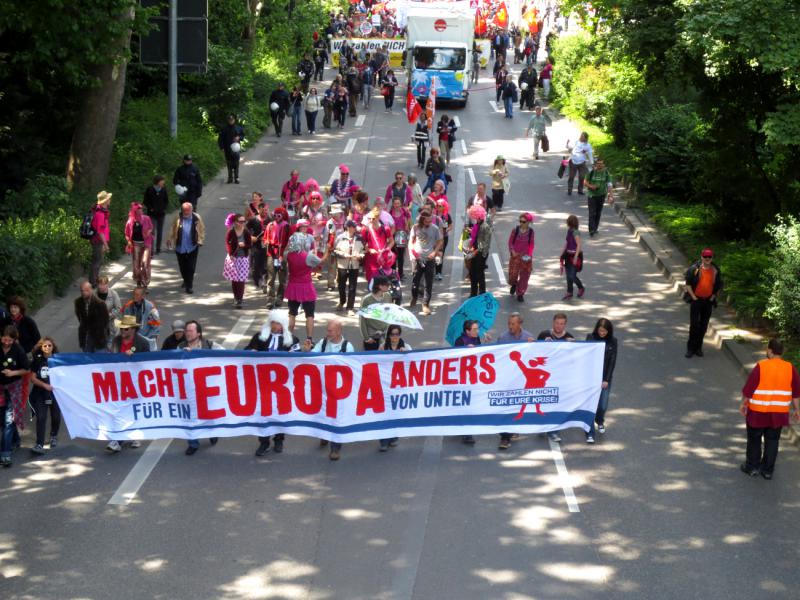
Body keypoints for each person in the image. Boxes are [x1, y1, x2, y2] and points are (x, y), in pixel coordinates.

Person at [739, 338, 800, 480]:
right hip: (778, 414)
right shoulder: (790, 368)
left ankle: (752, 467)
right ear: (782, 352)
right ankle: (767, 470)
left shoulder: (761, 366)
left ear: (770, 351)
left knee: (754, 439)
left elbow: (749, 389)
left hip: (757, 412)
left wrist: (743, 404)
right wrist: (797, 410)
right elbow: (796, 393)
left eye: (768, 349)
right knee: (772, 441)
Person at [247, 311, 300, 457]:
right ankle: (263, 442)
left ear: (283, 325)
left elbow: (299, 358)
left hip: (282, 385)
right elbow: (245, 353)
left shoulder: (292, 340)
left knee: (280, 412)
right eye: (273, 323)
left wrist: (297, 354)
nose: (275, 326)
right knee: (263, 414)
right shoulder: (259, 338)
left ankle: (279, 439)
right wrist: (250, 351)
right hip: (262, 383)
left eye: (278, 323)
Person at [302, 319, 355, 460]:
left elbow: (351, 369)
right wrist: (307, 352)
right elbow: (313, 357)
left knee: (337, 418)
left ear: (338, 331)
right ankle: (324, 435)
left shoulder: (347, 347)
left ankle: (335, 448)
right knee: (323, 414)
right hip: (323, 389)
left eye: (330, 331)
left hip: (339, 391)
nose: (328, 333)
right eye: (327, 330)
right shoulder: (323, 343)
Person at [105, 315, 150, 453]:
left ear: (133, 330)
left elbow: (149, 362)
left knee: (134, 408)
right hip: (119, 380)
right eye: (122, 328)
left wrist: (135, 358)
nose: (123, 331)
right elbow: (111, 356)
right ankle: (119, 438)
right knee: (120, 408)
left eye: (126, 329)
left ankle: (128, 436)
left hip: (136, 380)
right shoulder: (116, 341)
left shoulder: (143, 343)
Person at [178, 320, 221, 455]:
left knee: (209, 413)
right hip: (189, 388)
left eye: (191, 331)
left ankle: (212, 432)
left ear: (199, 333)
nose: (188, 333)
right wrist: (183, 356)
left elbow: (226, 355)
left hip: (207, 388)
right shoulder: (181, 347)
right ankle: (193, 442)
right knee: (190, 416)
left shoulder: (210, 345)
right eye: (186, 331)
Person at [536, 312, 575, 443]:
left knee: (557, 404)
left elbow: (574, 359)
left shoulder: (570, 338)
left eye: (562, 324)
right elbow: (534, 353)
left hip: (560, 378)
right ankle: (543, 425)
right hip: (545, 377)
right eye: (557, 323)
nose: (559, 326)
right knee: (545, 402)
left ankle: (553, 431)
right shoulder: (544, 335)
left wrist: (573, 347)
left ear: (565, 325)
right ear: (553, 323)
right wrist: (541, 344)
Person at [285, 224, 328, 340]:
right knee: (309, 315)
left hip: (293, 286)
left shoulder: (289, 255)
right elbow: (320, 262)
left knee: (292, 314)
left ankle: (288, 338)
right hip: (306, 287)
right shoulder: (308, 256)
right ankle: (309, 338)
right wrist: (327, 251)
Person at [683, 248, 723, 358]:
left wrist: (713, 297)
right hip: (696, 301)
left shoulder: (715, 270)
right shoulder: (694, 269)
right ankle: (690, 349)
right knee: (694, 325)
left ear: (712, 258)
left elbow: (718, 285)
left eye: (709, 257)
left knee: (703, 326)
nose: (707, 259)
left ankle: (698, 348)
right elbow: (688, 284)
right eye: (705, 256)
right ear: (701, 257)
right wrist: (694, 297)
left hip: (708, 301)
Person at [585, 318, 618, 444]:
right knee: (591, 404)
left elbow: (612, 361)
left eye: (604, 331)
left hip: (604, 378)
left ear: (608, 331)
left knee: (603, 404)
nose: (602, 333)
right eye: (600, 330)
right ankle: (589, 429)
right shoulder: (590, 338)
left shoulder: (613, 341)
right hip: (591, 377)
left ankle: (600, 420)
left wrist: (606, 379)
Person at [29, 337, 61, 455]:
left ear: (53, 347)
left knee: (56, 416)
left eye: (49, 345)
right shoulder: (37, 360)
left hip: (55, 394)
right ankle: (39, 444)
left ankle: (53, 435)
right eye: (45, 346)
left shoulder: (58, 360)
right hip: (40, 393)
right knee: (41, 418)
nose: (47, 347)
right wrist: (44, 385)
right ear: (41, 347)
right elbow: (32, 378)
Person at [167, 202, 205, 294]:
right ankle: (185, 279)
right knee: (183, 267)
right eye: (184, 210)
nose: (186, 212)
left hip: (192, 246)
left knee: (191, 267)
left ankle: (189, 286)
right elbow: (172, 228)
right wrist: (169, 238)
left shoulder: (196, 218)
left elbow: (201, 229)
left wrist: (200, 239)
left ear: (192, 210)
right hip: (180, 246)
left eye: (188, 210)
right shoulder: (178, 217)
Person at [409, 210, 443, 316]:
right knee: (415, 281)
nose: (429, 222)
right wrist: (412, 254)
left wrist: (435, 252)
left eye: (430, 220)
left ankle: (425, 304)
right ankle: (414, 296)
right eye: (427, 221)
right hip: (417, 258)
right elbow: (411, 241)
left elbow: (440, 241)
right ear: (422, 219)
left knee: (428, 282)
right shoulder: (415, 227)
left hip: (429, 259)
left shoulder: (435, 228)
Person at [334, 219, 364, 314]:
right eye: (353, 227)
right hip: (342, 265)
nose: (355, 229)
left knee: (352, 287)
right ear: (348, 227)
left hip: (354, 265)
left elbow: (363, 251)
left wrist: (360, 256)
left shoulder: (359, 238)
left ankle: (350, 307)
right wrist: (344, 255)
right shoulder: (340, 237)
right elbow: (335, 251)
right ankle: (342, 301)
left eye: (355, 227)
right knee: (341, 286)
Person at [224, 213, 252, 309]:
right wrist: (230, 253)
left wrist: (244, 245)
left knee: (241, 280)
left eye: (244, 221)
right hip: (234, 258)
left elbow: (249, 244)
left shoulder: (246, 232)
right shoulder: (231, 232)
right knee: (235, 279)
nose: (243, 223)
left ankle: (239, 299)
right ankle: (236, 297)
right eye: (240, 221)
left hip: (243, 258)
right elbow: (227, 243)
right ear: (235, 222)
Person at [264, 206, 290, 309]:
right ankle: (270, 299)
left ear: (283, 216)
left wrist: (283, 253)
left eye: (279, 216)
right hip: (272, 253)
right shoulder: (270, 225)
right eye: (275, 215)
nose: (276, 217)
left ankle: (280, 297)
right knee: (271, 277)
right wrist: (267, 242)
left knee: (282, 278)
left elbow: (289, 240)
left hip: (282, 254)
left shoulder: (286, 226)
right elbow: (265, 238)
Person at [74, 279, 109, 353]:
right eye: (82, 291)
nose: (83, 293)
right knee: (87, 361)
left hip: (98, 338)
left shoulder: (100, 304)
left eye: (86, 290)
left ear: (91, 290)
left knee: (99, 361)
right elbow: (79, 317)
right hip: (85, 336)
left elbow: (105, 321)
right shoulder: (78, 302)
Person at [124, 202, 154, 288]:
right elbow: (126, 233)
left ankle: (145, 281)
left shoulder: (147, 218)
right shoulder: (130, 221)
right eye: (138, 209)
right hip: (136, 245)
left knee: (144, 263)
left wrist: (148, 232)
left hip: (146, 244)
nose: (141, 210)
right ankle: (139, 281)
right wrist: (129, 241)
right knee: (136, 264)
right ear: (134, 211)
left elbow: (151, 227)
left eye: (141, 209)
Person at [466, 204, 492, 297]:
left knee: (479, 273)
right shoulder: (477, 225)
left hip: (481, 254)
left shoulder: (485, 227)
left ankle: (482, 293)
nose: (473, 218)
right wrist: (471, 247)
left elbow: (486, 243)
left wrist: (476, 251)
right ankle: (473, 293)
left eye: (474, 216)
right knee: (472, 273)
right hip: (475, 252)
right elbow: (474, 237)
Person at [363, 208, 394, 286]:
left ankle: (382, 297)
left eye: (372, 218)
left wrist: (387, 250)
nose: (370, 221)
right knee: (371, 281)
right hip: (371, 260)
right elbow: (363, 244)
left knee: (383, 282)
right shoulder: (365, 229)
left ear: (378, 218)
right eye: (368, 218)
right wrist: (369, 249)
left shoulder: (385, 228)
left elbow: (392, 241)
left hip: (383, 259)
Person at [508, 212, 535, 302]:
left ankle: (520, 293)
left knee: (524, 276)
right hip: (515, 256)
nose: (521, 223)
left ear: (528, 222)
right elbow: (510, 242)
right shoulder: (515, 230)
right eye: (520, 221)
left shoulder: (531, 232)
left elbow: (531, 244)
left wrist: (530, 255)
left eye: (523, 222)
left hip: (526, 257)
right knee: (513, 276)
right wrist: (512, 251)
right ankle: (514, 284)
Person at [359, 275, 392, 350]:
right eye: (387, 285)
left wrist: (390, 331)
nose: (389, 286)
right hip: (372, 337)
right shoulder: (366, 300)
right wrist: (366, 338)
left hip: (385, 335)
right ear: (380, 286)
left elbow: (390, 313)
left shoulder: (388, 296)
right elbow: (362, 319)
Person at [584, 158, 614, 236]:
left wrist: (610, 195)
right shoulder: (591, 172)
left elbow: (609, 184)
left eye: (601, 163)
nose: (599, 165)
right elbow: (585, 182)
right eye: (598, 163)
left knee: (598, 212)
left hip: (601, 195)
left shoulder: (606, 173)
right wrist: (591, 186)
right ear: (595, 164)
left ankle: (595, 228)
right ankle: (591, 230)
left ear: (604, 165)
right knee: (592, 213)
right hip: (591, 195)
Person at [88, 190, 112, 287]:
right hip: (98, 241)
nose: (110, 200)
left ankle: (94, 280)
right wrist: (106, 245)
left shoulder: (100, 211)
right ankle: (93, 282)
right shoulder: (100, 214)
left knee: (96, 261)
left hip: (97, 240)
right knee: (97, 261)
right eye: (108, 198)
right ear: (105, 201)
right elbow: (100, 231)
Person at [560, 215, 585, 300]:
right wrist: (562, 252)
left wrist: (575, 257)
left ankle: (581, 287)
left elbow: (578, 245)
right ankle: (569, 292)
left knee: (572, 275)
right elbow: (567, 242)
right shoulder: (569, 231)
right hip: (568, 255)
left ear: (570, 222)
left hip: (575, 256)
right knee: (568, 275)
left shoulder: (575, 232)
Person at [247, 201, 270, 290]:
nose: (265, 212)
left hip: (267, 245)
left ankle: (264, 281)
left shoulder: (270, 219)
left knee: (266, 264)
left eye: (266, 210)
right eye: (263, 210)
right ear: (259, 210)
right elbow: (246, 230)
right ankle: (257, 280)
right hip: (256, 245)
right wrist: (251, 237)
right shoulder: (253, 220)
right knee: (256, 264)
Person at [143, 175, 169, 254]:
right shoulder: (150, 189)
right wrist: (150, 208)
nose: (163, 182)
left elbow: (166, 201)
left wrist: (164, 208)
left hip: (161, 214)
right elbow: (145, 201)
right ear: (157, 181)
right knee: (152, 231)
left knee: (160, 231)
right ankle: (151, 249)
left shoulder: (164, 190)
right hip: (152, 214)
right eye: (162, 181)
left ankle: (158, 248)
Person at [218, 114, 245, 184]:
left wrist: (239, 137)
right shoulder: (224, 129)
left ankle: (236, 178)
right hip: (227, 149)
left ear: (234, 120)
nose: (231, 121)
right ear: (228, 121)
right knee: (229, 164)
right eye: (229, 120)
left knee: (236, 163)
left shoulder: (238, 128)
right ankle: (230, 178)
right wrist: (221, 147)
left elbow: (242, 136)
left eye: (232, 120)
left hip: (236, 149)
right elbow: (220, 139)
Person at [96, 276, 122, 346]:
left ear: (107, 284)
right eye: (99, 284)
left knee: (113, 343)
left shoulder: (113, 294)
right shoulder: (94, 295)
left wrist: (110, 315)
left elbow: (119, 308)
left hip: (112, 320)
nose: (101, 286)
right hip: (99, 321)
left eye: (103, 284)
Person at [390, 197, 411, 279]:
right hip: (393, 235)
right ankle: (393, 273)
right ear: (393, 204)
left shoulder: (404, 211)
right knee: (393, 255)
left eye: (398, 203)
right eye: (395, 203)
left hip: (402, 234)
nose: (396, 205)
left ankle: (401, 274)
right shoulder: (390, 212)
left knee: (401, 255)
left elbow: (409, 218)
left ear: (401, 204)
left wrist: (407, 225)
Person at [434, 198, 452, 281]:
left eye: (440, 206)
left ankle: (438, 272)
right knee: (434, 253)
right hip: (434, 237)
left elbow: (450, 226)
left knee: (440, 254)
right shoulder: (434, 215)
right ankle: (433, 269)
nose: (438, 207)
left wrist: (446, 230)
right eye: (437, 205)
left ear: (444, 207)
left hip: (443, 237)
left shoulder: (447, 216)